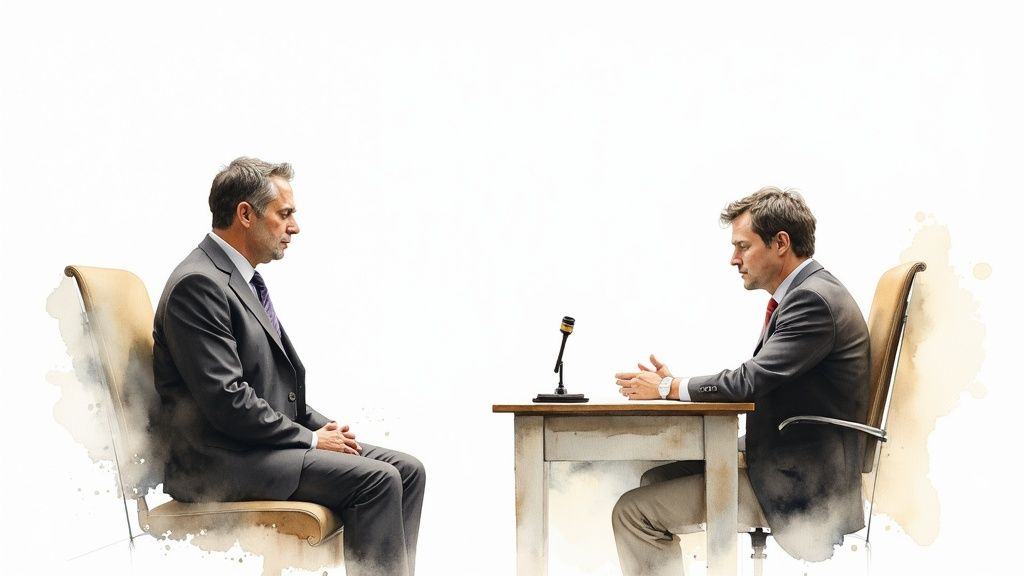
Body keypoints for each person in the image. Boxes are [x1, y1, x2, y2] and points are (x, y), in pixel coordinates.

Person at [152, 157, 425, 576]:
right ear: (245, 214)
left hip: (254, 446)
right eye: (285, 214)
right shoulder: (199, 284)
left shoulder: (238, 279)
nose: (294, 227)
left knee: (407, 471)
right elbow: (227, 402)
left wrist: (323, 429)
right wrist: (312, 441)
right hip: (216, 460)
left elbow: (271, 389)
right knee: (377, 481)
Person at [611, 187, 869, 575]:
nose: (734, 259)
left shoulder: (812, 300)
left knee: (631, 511)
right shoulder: (808, 292)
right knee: (654, 479)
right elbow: (758, 380)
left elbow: (749, 382)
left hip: (801, 483)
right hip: (790, 457)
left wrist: (668, 388)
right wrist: (678, 387)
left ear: (780, 243)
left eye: (743, 246)